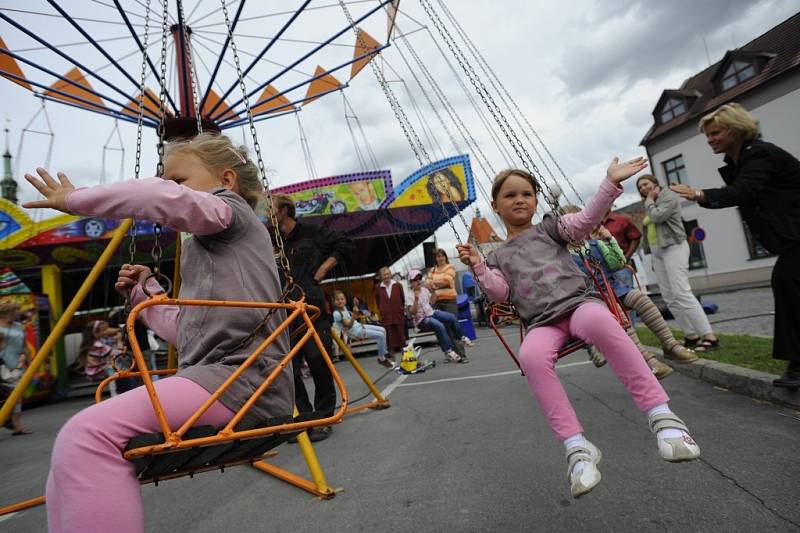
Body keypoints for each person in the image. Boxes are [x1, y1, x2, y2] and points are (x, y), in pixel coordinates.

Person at [23, 132, 294, 532]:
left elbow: (160, 198)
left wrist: (76, 200)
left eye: (179, 179)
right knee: (70, 455)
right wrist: (145, 294)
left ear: (228, 180)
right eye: (167, 180)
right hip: (221, 379)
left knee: (87, 435)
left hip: (245, 379)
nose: (170, 188)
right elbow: (188, 332)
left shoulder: (233, 214)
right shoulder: (209, 250)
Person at [457, 161, 701, 499]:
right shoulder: (498, 256)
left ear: (536, 201)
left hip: (578, 305)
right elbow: (500, 293)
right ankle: (576, 448)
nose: (520, 200)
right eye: (510, 195)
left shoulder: (551, 229)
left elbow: (586, 221)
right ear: (496, 204)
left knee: (602, 321)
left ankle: (664, 419)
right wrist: (478, 266)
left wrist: (609, 184)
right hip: (541, 322)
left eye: (527, 194)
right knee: (530, 355)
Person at [670, 102, 800, 388]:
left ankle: (797, 367)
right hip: (792, 237)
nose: (710, 139)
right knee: (788, 283)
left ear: (736, 130)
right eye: (708, 135)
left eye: (716, 133)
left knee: (786, 281)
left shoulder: (760, 155)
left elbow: (743, 191)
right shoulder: (741, 161)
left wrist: (698, 194)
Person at [561, 209, 697, 377]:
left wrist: (609, 240)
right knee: (619, 314)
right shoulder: (563, 257)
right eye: (573, 228)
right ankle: (647, 360)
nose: (578, 232)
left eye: (582, 226)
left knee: (641, 299)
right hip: (593, 298)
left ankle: (670, 345)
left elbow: (618, 264)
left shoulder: (597, 245)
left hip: (615, 287)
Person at [273, 194, 354, 442]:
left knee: (318, 360)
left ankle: (323, 417)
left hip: (312, 306)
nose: (268, 215)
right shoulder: (271, 240)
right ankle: (303, 417)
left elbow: (345, 242)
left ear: (285, 211)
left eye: (272, 209)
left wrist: (324, 267)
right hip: (285, 311)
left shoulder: (311, 232)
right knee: (289, 368)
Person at [637, 174, 719, 352]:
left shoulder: (667, 196)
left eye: (646, 184)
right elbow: (650, 230)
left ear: (655, 184)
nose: (643, 188)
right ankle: (691, 336)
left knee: (682, 293)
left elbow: (658, 217)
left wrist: (649, 200)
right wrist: (653, 257)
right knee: (669, 297)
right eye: (640, 187)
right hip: (659, 253)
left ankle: (710, 337)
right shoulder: (651, 202)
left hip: (674, 247)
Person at [405, 269, 469, 363]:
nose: (418, 281)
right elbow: (412, 312)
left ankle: (461, 337)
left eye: (419, 278)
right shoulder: (409, 295)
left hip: (431, 313)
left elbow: (431, 302)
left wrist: (434, 292)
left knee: (451, 317)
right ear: (410, 282)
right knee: (439, 326)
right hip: (421, 320)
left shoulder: (424, 290)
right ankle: (448, 351)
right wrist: (416, 299)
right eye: (415, 279)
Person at [331, 290, 392, 368]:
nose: (340, 301)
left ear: (345, 299)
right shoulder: (337, 314)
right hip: (356, 332)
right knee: (380, 335)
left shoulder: (344, 308)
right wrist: (354, 315)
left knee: (383, 330)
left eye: (342, 299)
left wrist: (356, 304)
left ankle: (384, 351)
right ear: (334, 302)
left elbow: (354, 315)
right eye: (338, 300)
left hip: (358, 326)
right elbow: (348, 326)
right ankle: (381, 358)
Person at [0, 301, 32, 435]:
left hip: (18, 360)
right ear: (8, 312)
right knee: (10, 393)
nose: (19, 313)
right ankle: (13, 423)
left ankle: (16, 424)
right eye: (16, 310)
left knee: (18, 395)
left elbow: (24, 344)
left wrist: (29, 360)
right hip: (3, 360)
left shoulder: (19, 326)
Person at [77, 319, 122, 396]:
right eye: (104, 330)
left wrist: (117, 333)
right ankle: (114, 393)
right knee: (112, 368)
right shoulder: (97, 345)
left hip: (94, 369)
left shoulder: (95, 342)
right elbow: (117, 353)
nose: (106, 332)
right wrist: (119, 341)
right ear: (95, 333)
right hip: (95, 371)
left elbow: (110, 339)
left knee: (111, 365)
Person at [602, 208, 641, 290]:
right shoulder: (595, 225)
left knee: (627, 294)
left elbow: (636, 238)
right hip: (604, 269)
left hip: (622, 267)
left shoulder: (622, 220)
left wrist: (627, 257)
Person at [374, 266, 407, 362]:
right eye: (384, 275)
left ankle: (405, 358)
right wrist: (383, 310)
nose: (386, 276)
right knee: (389, 339)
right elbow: (377, 301)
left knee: (401, 337)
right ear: (380, 277)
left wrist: (400, 310)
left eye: (387, 274)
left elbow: (402, 299)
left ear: (391, 274)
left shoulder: (398, 285)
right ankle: (392, 359)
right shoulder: (378, 288)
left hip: (398, 315)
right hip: (386, 316)